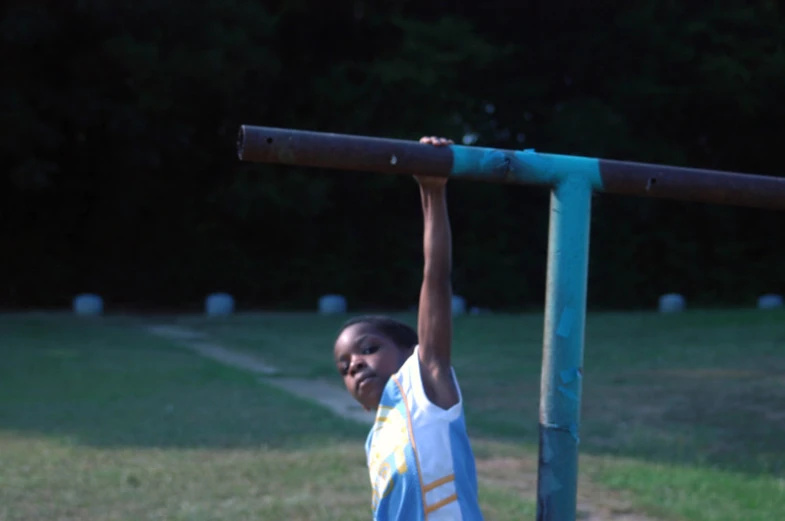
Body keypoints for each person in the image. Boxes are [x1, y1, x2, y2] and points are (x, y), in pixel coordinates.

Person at [333, 136, 484, 520]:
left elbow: (435, 275)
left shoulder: (424, 388)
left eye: (368, 349)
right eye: (344, 365)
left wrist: (432, 192)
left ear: (410, 352)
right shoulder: (376, 439)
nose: (354, 365)